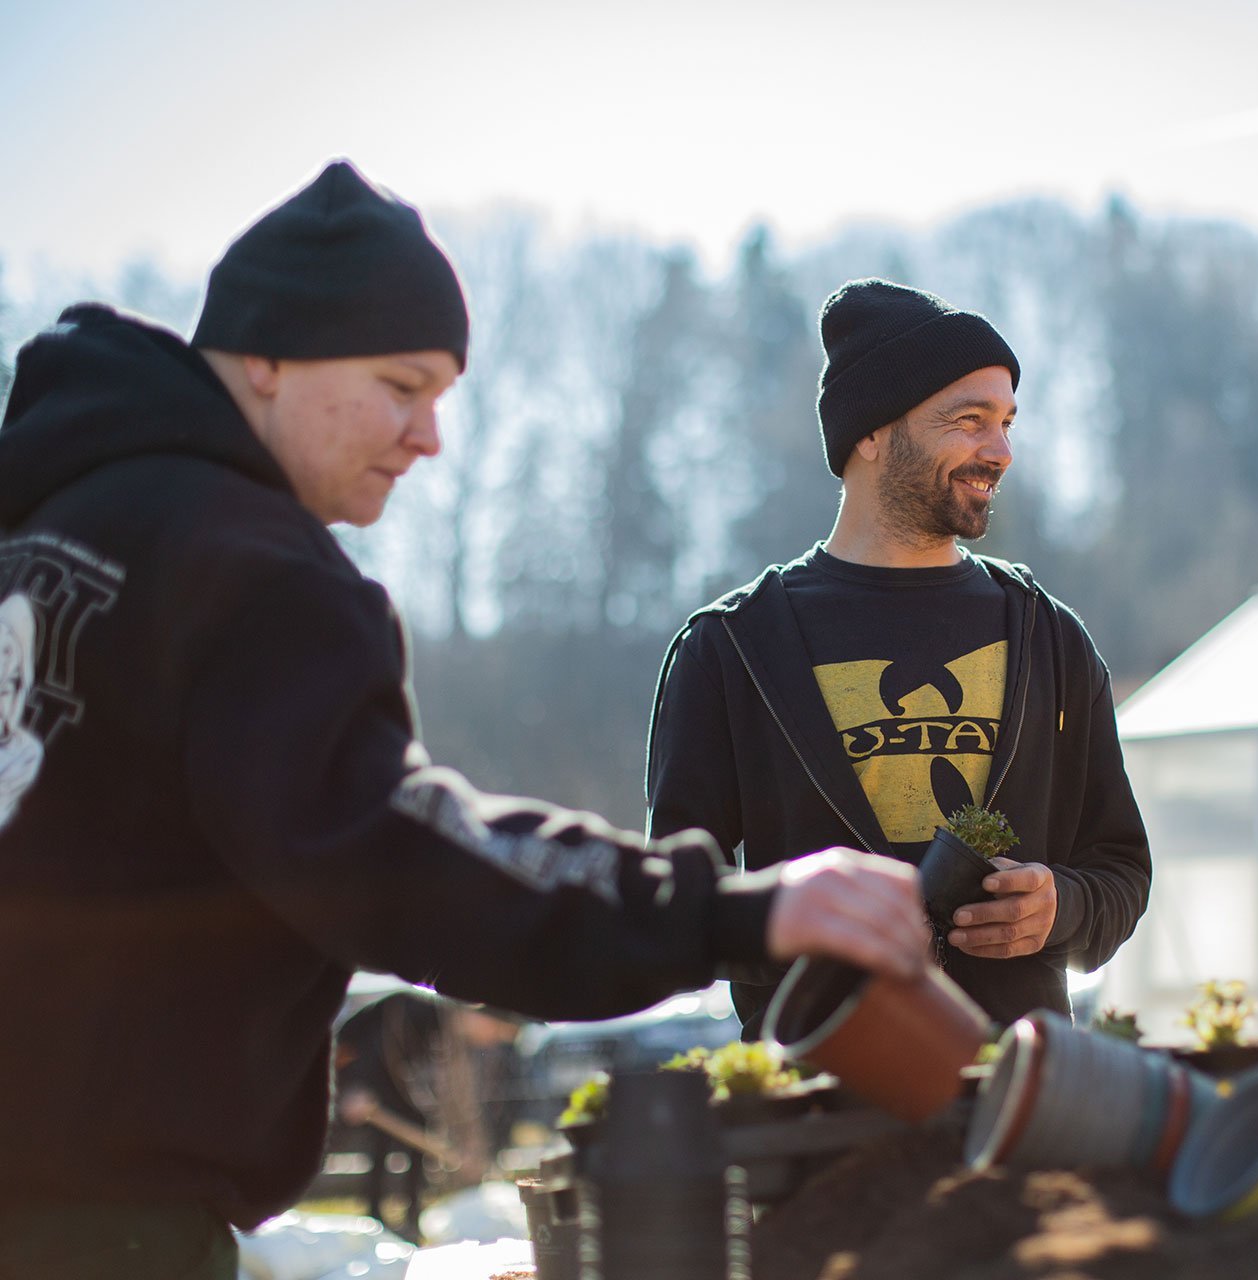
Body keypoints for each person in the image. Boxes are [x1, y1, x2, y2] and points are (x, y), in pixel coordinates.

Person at [0, 161, 928, 1280]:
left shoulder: (46, 529)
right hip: (99, 1228)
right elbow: (394, 857)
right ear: (266, 355)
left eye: (441, 395)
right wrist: (729, 909)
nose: (429, 435)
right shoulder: (251, 572)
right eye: (401, 385)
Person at [646, 277, 1151, 1036]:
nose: (1001, 450)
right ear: (872, 432)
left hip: (1021, 1106)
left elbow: (1121, 871)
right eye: (970, 421)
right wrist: (806, 929)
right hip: (815, 1111)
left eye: (1008, 421)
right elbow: (683, 908)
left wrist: (1062, 907)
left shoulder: (1050, 636)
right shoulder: (733, 650)